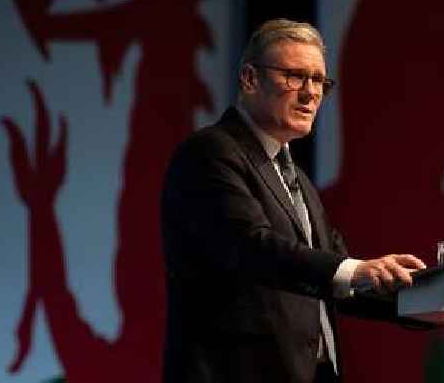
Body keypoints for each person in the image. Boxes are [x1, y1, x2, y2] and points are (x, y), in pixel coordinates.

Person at [160, 19, 426, 383]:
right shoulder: (211, 152)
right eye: (295, 76)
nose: (311, 93)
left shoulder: (296, 177)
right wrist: (355, 269)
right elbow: (251, 246)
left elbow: (333, 276)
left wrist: (431, 303)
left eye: (318, 81)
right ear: (250, 79)